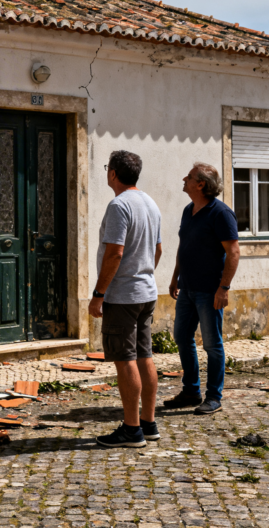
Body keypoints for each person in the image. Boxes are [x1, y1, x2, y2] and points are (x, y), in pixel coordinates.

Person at [90, 150, 163, 447]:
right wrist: (143, 274)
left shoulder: (119, 206)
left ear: (113, 173)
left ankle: (132, 430)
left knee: (124, 359)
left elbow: (115, 252)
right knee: (145, 356)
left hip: (122, 296)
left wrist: (99, 294)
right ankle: (148, 423)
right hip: (146, 291)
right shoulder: (150, 203)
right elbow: (158, 250)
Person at [165, 162, 240, 415]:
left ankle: (214, 396)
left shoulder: (221, 213)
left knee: (212, 344)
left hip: (210, 291)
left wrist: (224, 288)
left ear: (201, 184)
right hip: (187, 289)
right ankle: (191, 391)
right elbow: (183, 246)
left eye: (189, 177)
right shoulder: (189, 210)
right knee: (182, 338)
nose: (183, 178)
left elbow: (234, 252)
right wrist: (175, 277)